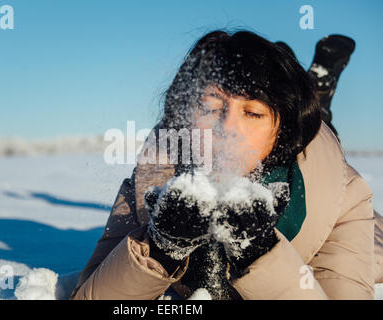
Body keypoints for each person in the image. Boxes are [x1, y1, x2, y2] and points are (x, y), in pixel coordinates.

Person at [70, 30, 383, 300]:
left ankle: (317, 91)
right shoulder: (150, 182)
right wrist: (160, 247)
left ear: (281, 129)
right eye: (210, 107)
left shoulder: (346, 197)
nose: (227, 128)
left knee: (320, 127)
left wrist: (261, 253)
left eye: (253, 113)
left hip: (329, 178)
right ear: (184, 116)